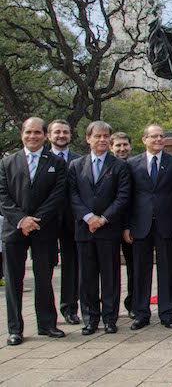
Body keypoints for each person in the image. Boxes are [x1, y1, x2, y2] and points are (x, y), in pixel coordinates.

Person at [0, 117, 67, 346]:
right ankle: (14, 329)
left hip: (44, 229)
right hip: (14, 229)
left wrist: (36, 220)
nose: (33, 136)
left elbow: (58, 194)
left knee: (44, 277)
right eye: (28, 132)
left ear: (45, 136)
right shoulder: (7, 162)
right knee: (13, 281)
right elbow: (2, 195)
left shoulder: (56, 162)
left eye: (37, 132)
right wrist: (21, 220)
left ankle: (47, 324)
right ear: (22, 135)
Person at [69, 121, 130, 335]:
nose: (102, 140)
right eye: (98, 136)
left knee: (110, 276)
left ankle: (110, 318)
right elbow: (72, 195)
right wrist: (88, 218)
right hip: (84, 229)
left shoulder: (119, 166)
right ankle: (90, 319)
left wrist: (103, 219)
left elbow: (122, 197)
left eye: (106, 136)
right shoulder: (76, 166)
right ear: (88, 139)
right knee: (87, 277)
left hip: (108, 229)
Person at [127, 124, 172, 330]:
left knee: (167, 270)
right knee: (141, 271)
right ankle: (141, 313)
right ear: (144, 140)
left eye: (161, 136)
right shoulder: (132, 164)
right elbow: (128, 197)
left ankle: (167, 313)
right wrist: (127, 226)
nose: (159, 139)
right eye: (154, 136)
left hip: (166, 224)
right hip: (140, 225)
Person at [47, 119, 82, 325]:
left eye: (65, 132)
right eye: (57, 132)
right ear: (49, 136)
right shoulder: (42, 159)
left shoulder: (79, 161)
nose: (61, 136)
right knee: (45, 267)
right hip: (47, 222)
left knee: (71, 266)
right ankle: (46, 312)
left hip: (71, 221)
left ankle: (69, 308)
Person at [110, 131, 135, 319]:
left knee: (133, 268)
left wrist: (129, 225)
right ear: (111, 147)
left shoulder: (135, 166)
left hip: (130, 226)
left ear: (131, 146)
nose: (122, 149)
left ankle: (132, 304)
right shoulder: (106, 167)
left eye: (125, 145)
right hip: (108, 225)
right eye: (118, 145)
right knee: (109, 269)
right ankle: (110, 307)